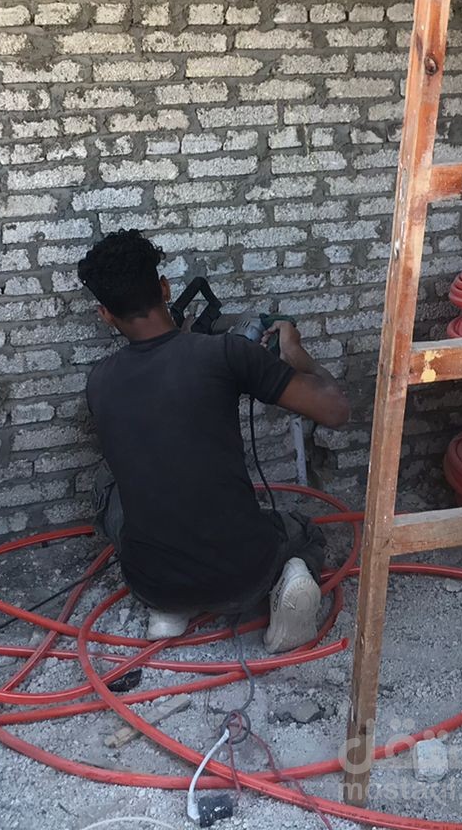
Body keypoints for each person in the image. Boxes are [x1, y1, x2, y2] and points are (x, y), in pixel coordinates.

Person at [77, 230, 351, 651]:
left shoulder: (99, 381)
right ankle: (290, 584)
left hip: (151, 584)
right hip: (245, 576)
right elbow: (336, 411)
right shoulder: (224, 354)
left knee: (108, 482)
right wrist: (297, 356)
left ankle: (172, 611)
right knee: (303, 531)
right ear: (165, 288)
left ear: (105, 315)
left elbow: (159, 416)